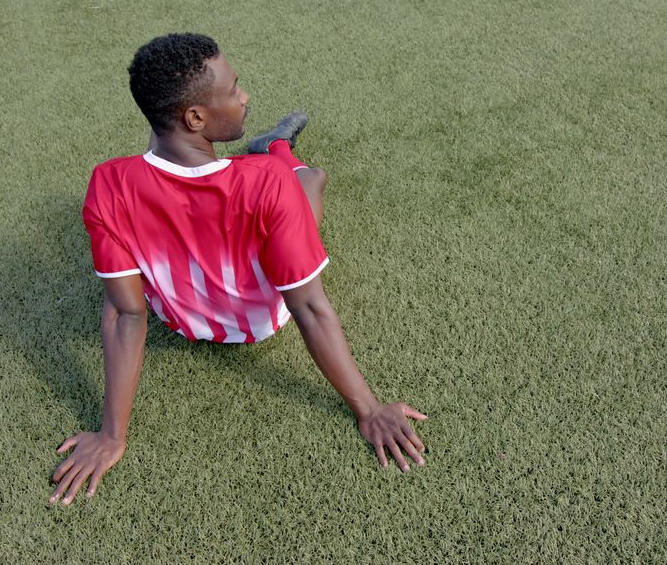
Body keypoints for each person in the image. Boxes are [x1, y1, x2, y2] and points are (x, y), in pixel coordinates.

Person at [48, 33, 428, 506]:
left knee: (282, 193)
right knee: (307, 181)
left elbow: (125, 314)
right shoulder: (266, 182)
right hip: (264, 321)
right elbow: (308, 305)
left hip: (180, 323)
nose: (244, 96)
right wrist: (369, 410)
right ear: (195, 117)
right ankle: (282, 151)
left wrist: (112, 434)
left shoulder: (107, 184)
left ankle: (279, 150)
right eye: (234, 88)